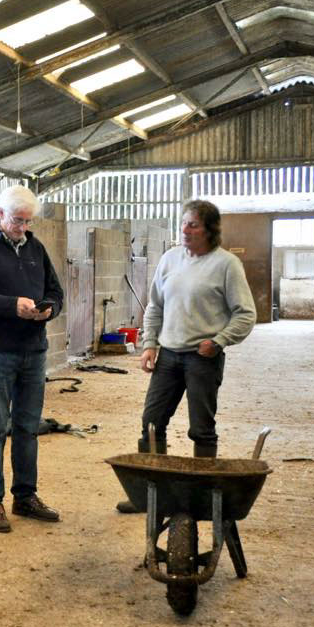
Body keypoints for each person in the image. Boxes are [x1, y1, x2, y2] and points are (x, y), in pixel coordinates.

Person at [118, 199, 256, 513]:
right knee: (151, 423)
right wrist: (149, 343)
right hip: (168, 355)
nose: (185, 229)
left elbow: (245, 314)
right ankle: (149, 495)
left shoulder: (226, 265)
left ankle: (203, 496)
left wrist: (220, 341)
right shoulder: (170, 259)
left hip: (202, 358)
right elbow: (155, 306)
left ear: (210, 230)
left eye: (193, 224)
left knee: (201, 428)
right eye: (183, 223)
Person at [0, 185, 65, 533]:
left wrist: (48, 310)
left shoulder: (36, 247)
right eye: (17, 221)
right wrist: (11, 306)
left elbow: (56, 291)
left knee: (27, 428)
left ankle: (25, 495)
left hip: (34, 351)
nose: (23, 228)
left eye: (27, 221)